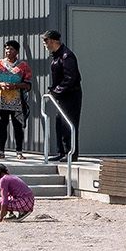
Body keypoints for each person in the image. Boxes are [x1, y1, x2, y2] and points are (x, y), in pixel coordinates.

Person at [43, 28, 82, 158]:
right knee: (59, 123)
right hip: (62, 95)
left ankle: (71, 153)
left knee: (69, 123)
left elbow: (71, 77)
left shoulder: (66, 56)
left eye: (46, 40)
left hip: (70, 95)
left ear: (53, 41)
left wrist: (57, 91)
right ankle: (62, 152)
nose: (44, 43)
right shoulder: (57, 56)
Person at [0, 40, 29, 156]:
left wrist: (15, 86)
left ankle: (19, 151)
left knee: (17, 125)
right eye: (7, 48)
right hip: (1, 98)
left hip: (17, 99)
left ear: (17, 51)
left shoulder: (23, 65)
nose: (8, 51)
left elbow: (28, 83)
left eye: (11, 49)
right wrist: (0, 84)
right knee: (1, 125)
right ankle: (0, 151)